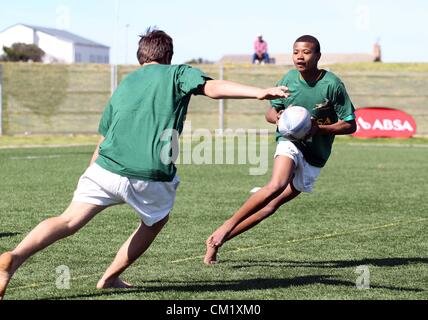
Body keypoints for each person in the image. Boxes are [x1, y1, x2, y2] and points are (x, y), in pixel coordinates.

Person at [0, 28, 289, 300]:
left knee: (68, 220)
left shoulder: (125, 83)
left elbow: (103, 135)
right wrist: (258, 92)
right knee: (154, 221)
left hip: (104, 168)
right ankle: (110, 276)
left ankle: (15, 257)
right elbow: (211, 87)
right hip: (149, 174)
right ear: (168, 57)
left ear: (141, 57)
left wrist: (91, 170)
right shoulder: (177, 73)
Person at [204, 35, 357, 265]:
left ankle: (217, 241)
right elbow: (269, 112)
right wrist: (278, 118)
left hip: (315, 155)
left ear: (317, 56)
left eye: (306, 52)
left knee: (270, 207)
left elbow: (350, 124)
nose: (300, 56)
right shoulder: (288, 79)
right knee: (276, 185)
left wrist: (319, 130)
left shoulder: (332, 84)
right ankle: (226, 225)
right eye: (296, 52)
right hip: (289, 141)